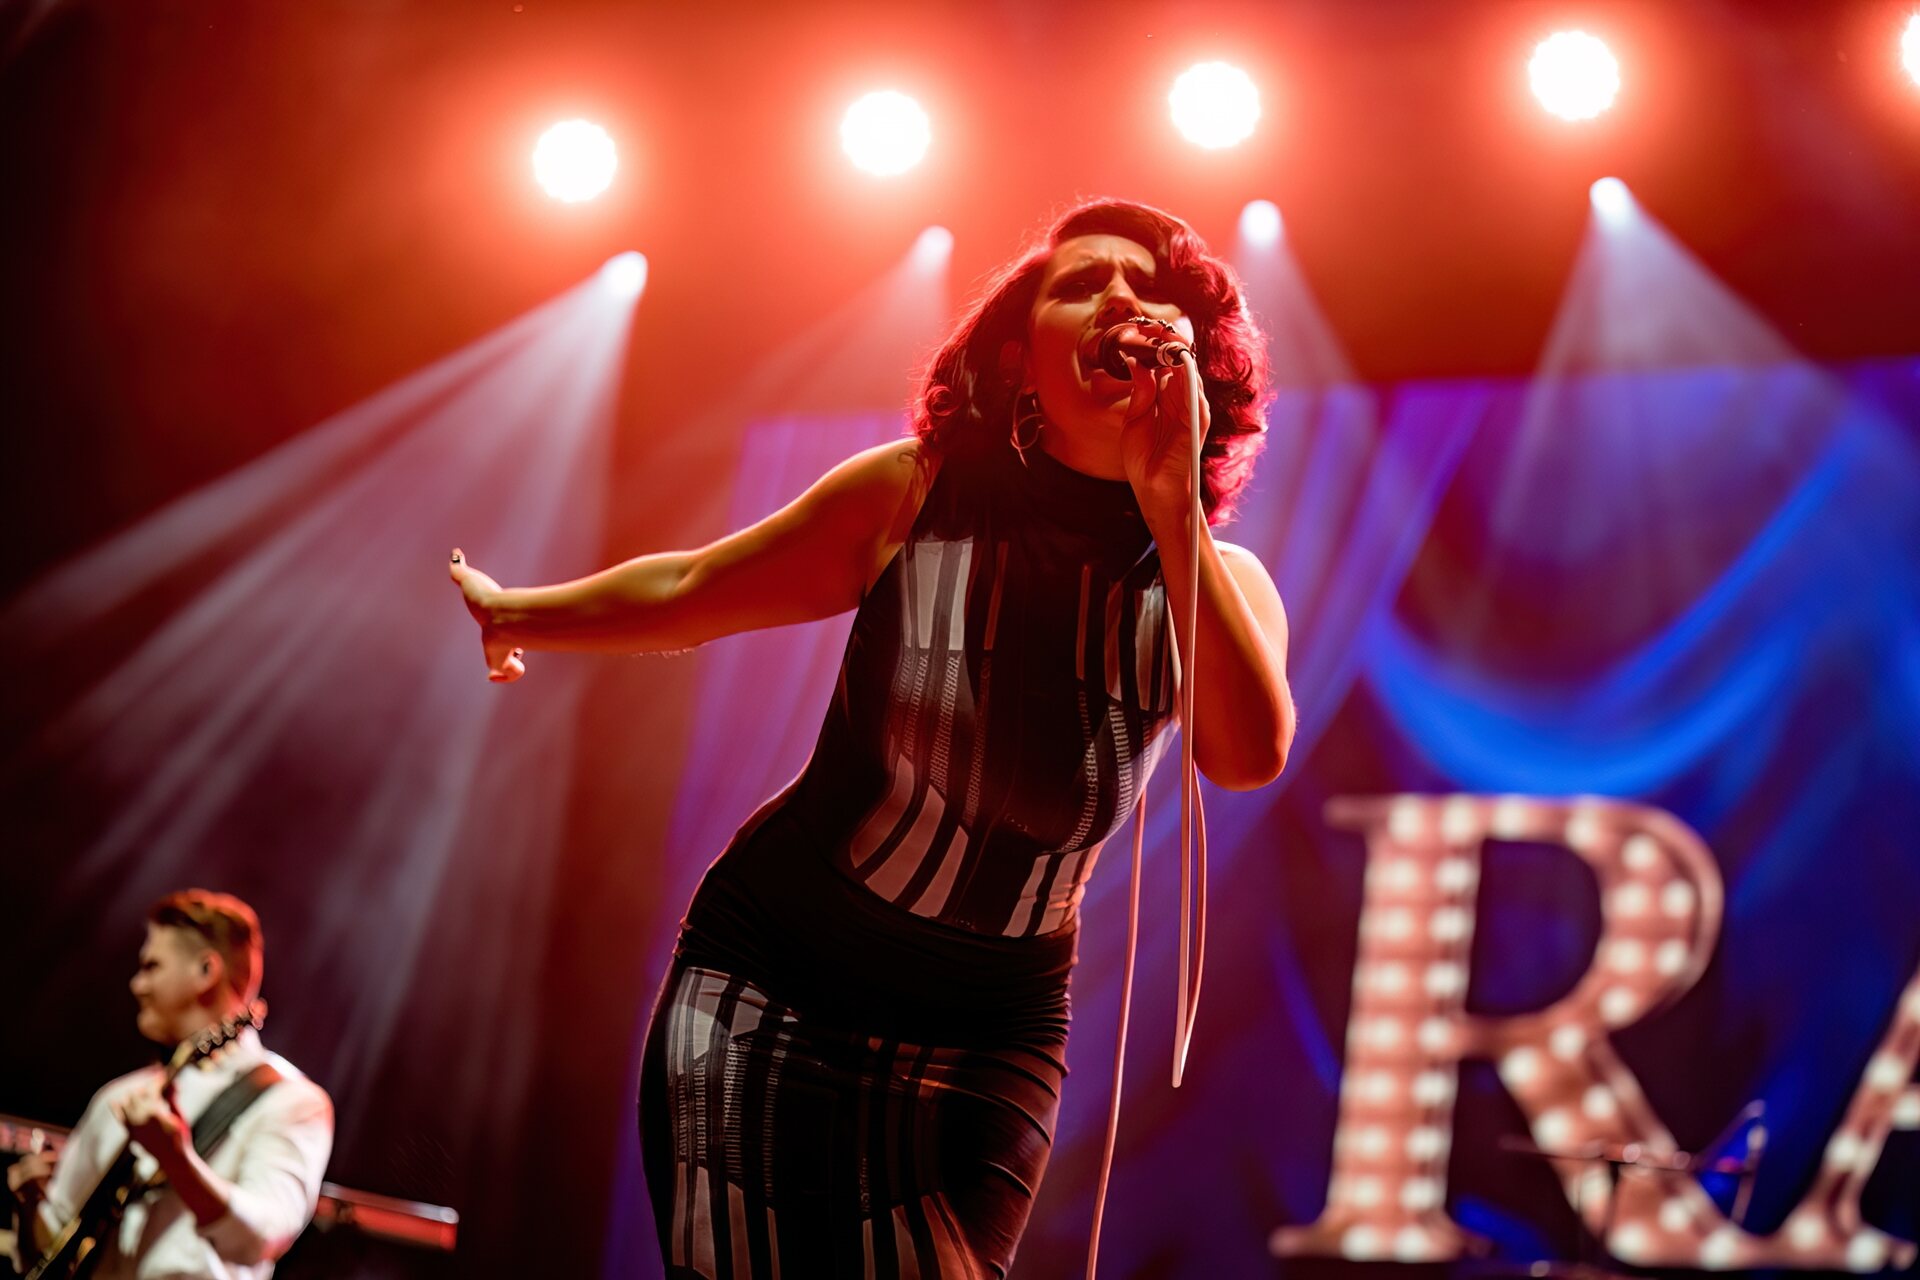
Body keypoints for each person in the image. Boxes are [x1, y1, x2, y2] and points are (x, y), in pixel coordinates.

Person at [451, 199, 1294, 1277]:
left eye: (1152, 291)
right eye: (1082, 285)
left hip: (990, 1034)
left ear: (1193, 360)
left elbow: (1246, 755)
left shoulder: (1225, 584)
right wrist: (517, 613)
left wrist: (1172, 510)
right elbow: (694, 586)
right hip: (779, 977)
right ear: (1017, 360)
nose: (1123, 302)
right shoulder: (915, 493)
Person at [8, 890, 334, 1280]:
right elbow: (50, 1253)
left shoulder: (292, 1100)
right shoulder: (119, 1096)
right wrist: (30, 1203)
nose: (137, 985)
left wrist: (177, 1159)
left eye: (152, 966)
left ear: (206, 971)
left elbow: (264, 1238)